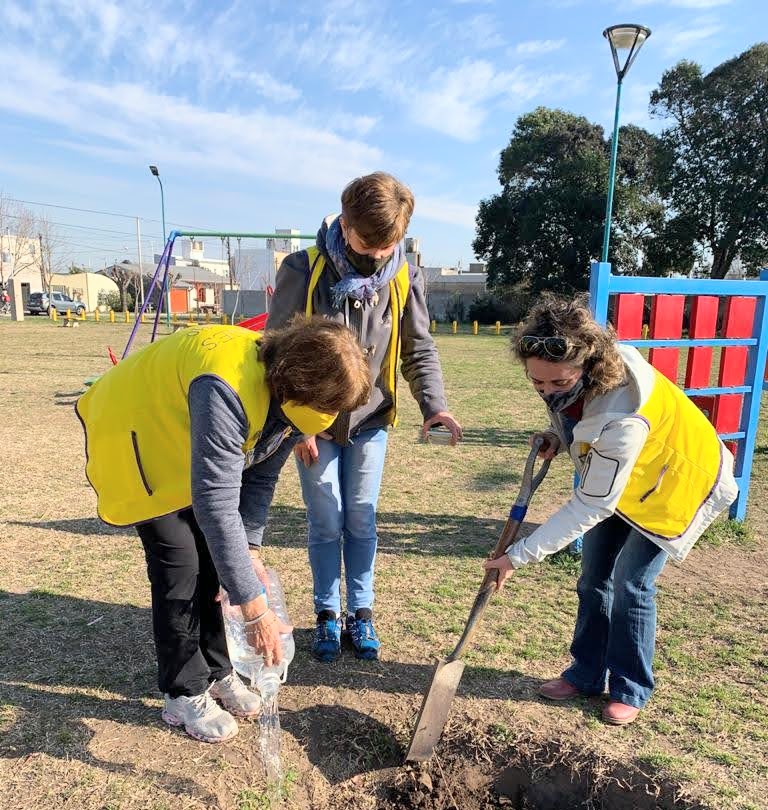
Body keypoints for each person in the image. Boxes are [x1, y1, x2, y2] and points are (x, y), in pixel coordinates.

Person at [76, 317, 371, 742]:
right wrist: (256, 611)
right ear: (293, 384)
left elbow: (260, 476)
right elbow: (215, 505)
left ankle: (217, 670)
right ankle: (184, 690)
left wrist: (249, 548)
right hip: (139, 435)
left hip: (184, 438)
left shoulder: (289, 394)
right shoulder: (225, 387)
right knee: (180, 565)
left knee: (220, 567)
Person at [484, 295, 738, 725]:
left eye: (556, 384)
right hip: (628, 476)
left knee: (631, 583)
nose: (547, 391)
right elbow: (582, 423)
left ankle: (630, 687)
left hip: (675, 484)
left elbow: (592, 502)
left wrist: (519, 555)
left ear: (586, 367)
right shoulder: (571, 378)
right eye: (537, 383)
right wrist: (558, 437)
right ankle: (585, 673)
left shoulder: (623, 414)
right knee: (592, 577)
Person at [267, 171, 462, 662]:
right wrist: (292, 428)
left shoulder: (403, 275)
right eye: (367, 241)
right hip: (313, 423)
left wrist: (434, 405)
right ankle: (327, 615)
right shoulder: (302, 268)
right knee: (326, 519)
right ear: (345, 221)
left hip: (371, 421)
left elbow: (418, 348)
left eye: (387, 244)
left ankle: (362, 612)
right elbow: (273, 354)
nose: (376, 254)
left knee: (362, 518)